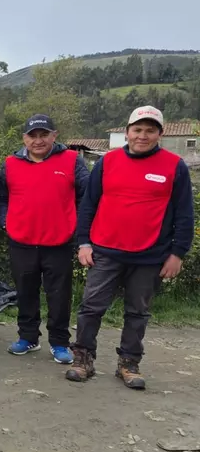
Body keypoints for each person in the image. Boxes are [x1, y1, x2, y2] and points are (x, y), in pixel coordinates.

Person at [67, 106, 194, 389]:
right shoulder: (107, 162)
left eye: (150, 131)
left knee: (138, 312)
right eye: (137, 130)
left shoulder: (175, 166)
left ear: (160, 134)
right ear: (127, 132)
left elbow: (185, 214)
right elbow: (88, 205)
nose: (143, 136)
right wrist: (83, 243)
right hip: (105, 251)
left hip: (150, 255)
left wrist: (178, 253)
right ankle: (83, 358)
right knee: (91, 308)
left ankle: (129, 363)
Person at [0, 114, 90, 364]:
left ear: (54, 135)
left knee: (58, 295)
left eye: (43, 134)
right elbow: (2, 197)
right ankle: (28, 337)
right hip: (22, 240)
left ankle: (60, 342)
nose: (38, 140)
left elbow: (87, 196)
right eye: (32, 135)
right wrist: (5, 221)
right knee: (25, 292)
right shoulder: (10, 163)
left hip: (59, 241)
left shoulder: (72, 160)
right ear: (24, 138)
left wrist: (78, 229)